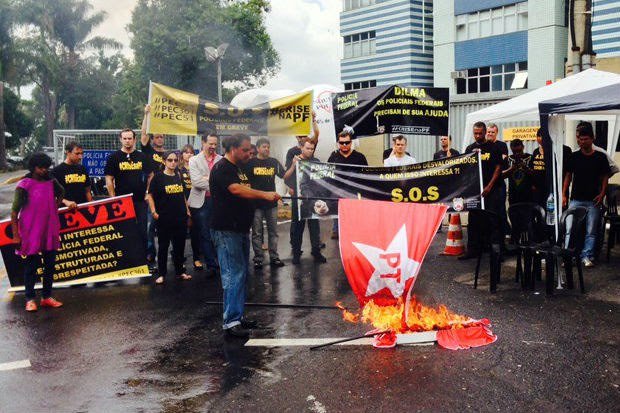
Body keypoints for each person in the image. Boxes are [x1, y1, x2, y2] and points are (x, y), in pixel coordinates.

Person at [209, 134, 281, 338]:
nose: (250, 152)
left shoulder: (238, 168)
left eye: (251, 149)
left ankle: (237, 317)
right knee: (233, 274)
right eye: (245, 149)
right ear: (232, 149)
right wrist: (265, 194)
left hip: (239, 229)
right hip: (226, 230)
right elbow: (235, 190)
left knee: (241, 274)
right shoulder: (222, 167)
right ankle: (231, 322)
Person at [11, 153, 76, 311]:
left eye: (47, 167)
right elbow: (14, 213)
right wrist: (15, 235)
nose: (45, 170)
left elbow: (61, 192)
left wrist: (55, 205)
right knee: (31, 267)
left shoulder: (51, 181)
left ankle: (46, 296)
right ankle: (30, 299)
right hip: (30, 230)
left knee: (50, 265)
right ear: (33, 168)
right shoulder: (24, 185)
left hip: (49, 228)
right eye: (41, 168)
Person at [563, 121, 610, 267]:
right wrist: (564, 194)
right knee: (570, 229)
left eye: (585, 139)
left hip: (593, 200)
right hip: (575, 199)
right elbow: (568, 176)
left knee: (591, 231)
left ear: (592, 138)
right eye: (580, 139)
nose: (582, 142)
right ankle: (568, 256)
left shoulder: (600, 157)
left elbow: (605, 177)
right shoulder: (574, 156)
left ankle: (586, 256)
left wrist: (602, 194)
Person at [459, 121, 503, 260]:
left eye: (480, 133)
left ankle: (496, 251)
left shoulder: (493, 147)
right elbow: (465, 169)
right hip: (476, 192)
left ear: (485, 132)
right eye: (475, 133)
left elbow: (498, 168)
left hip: (491, 189)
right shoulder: (469, 148)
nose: (477, 136)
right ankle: (473, 250)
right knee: (474, 221)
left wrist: (489, 186)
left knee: (493, 220)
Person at [105, 128, 152, 255]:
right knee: (124, 231)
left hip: (140, 201)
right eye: (125, 138)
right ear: (121, 139)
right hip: (122, 202)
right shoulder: (114, 158)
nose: (127, 141)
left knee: (142, 231)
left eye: (130, 138)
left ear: (134, 140)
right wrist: (113, 198)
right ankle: (127, 260)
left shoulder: (142, 156)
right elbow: (109, 178)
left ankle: (143, 259)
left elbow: (151, 175)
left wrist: (148, 192)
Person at [147, 151, 192, 284]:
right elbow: (150, 195)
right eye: (170, 160)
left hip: (180, 216)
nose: (173, 163)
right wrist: (154, 212)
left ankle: (180, 272)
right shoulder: (158, 177)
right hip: (164, 217)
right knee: (163, 246)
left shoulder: (178, 176)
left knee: (179, 245)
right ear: (164, 161)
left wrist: (187, 210)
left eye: (175, 160)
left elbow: (183, 194)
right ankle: (162, 274)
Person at [284, 138, 327, 264]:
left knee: (315, 227)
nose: (310, 151)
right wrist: (292, 165)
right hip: (298, 199)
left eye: (312, 149)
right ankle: (296, 253)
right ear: (301, 148)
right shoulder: (295, 159)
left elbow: (323, 178)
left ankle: (316, 251)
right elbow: (285, 177)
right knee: (297, 227)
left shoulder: (316, 161)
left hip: (313, 199)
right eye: (307, 148)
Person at [245, 137, 286, 270]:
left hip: (271, 204)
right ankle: (258, 259)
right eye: (264, 147)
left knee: (273, 232)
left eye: (268, 147)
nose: (267, 149)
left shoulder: (273, 162)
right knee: (257, 232)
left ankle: (274, 257)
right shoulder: (250, 163)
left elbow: (285, 176)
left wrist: (293, 165)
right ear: (257, 148)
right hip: (255, 204)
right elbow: (244, 182)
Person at [188, 133, 222, 275]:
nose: (213, 147)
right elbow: (196, 182)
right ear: (203, 142)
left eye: (215, 144)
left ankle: (220, 262)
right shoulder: (194, 160)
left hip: (217, 201)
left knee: (218, 233)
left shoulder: (221, 160)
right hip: (200, 203)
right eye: (210, 143)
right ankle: (212, 266)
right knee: (205, 234)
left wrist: (207, 179)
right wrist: (215, 182)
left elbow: (223, 181)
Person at [327, 130, 368, 239]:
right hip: (337, 192)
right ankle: (336, 229)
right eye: (341, 143)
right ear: (338, 143)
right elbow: (328, 176)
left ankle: (355, 230)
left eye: (347, 142)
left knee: (355, 221)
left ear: (351, 142)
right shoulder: (333, 158)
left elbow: (367, 176)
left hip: (354, 192)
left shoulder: (360, 157)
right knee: (337, 212)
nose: (344, 145)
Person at [141, 104, 166, 263]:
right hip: (151, 192)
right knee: (150, 225)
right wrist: (146, 115)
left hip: (166, 192)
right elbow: (143, 135)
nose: (159, 138)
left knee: (165, 224)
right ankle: (151, 252)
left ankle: (167, 251)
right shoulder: (149, 151)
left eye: (161, 136)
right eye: (156, 136)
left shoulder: (169, 155)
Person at [531, 127, 573, 209]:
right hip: (540, 193)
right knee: (542, 216)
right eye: (538, 136)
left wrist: (563, 194)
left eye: (542, 136)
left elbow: (568, 173)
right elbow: (533, 170)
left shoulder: (564, 150)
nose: (540, 138)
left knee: (558, 215)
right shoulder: (536, 152)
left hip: (557, 192)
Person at [179, 144, 203, 271]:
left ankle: (196, 258)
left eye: (191, 152)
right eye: (186, 152)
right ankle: (180, 259)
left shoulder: (197, 168)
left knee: (196, 233)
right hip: (182, 205)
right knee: (181, 234)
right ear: (182, 154)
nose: (189, 155)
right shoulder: (178, 169)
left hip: (196, 203)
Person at [486, 123, 510, 237]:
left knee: (500, 211)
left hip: (499, 184)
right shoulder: (483, 146)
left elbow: (503, 164)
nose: (490, 134)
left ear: (496, 133)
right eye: (488, 132)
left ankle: (504, 235)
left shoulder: (502, 145)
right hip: (485, 185)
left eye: (492, 132)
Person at [503, 139, 533, 205]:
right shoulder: (508, 159)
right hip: (513, 195)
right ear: (511, 149)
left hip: (528, 194)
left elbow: (535, 175)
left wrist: (525, 167)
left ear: (523, 147)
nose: (517, 153)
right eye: (514, 151)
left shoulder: (530, 157)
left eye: (519, 151)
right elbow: (502, 176)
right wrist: (511, 169)